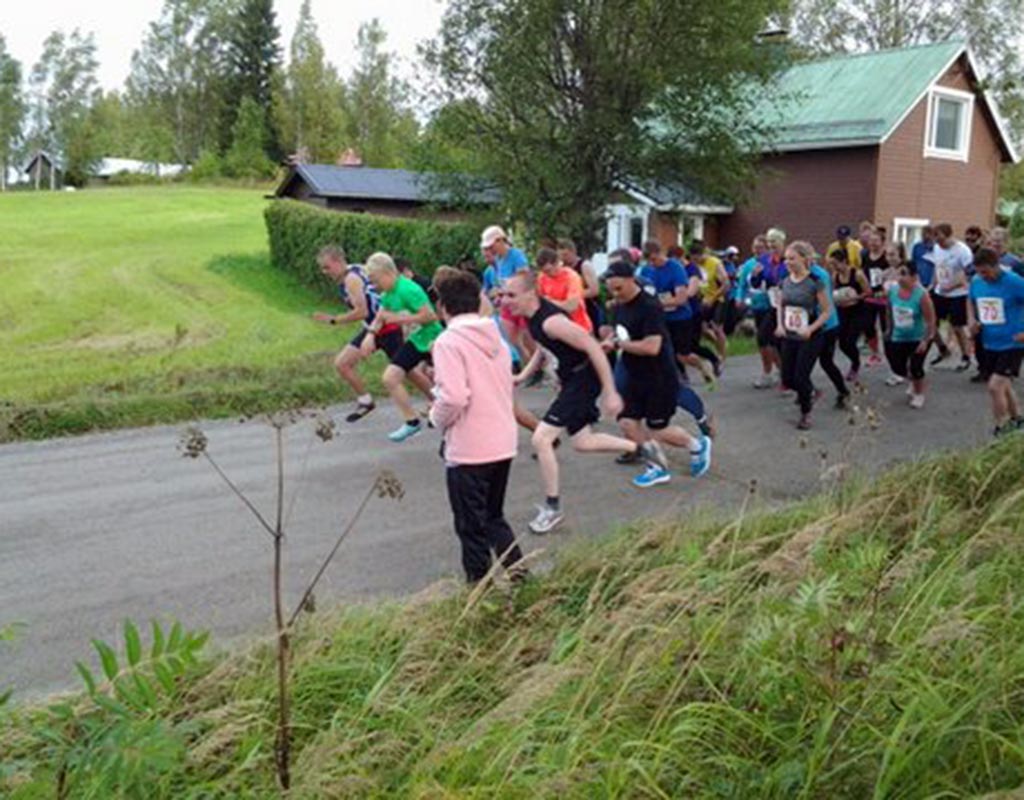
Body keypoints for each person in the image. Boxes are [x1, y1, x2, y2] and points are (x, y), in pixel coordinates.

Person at [502, 271, 666, 533]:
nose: (505, 300)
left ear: (530, 293)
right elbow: (544, 349)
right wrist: (521, 375)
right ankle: (643, 448)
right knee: (582, 442)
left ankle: (552, 508)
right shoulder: (532, 318)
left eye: (511, 295)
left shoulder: (551, 321)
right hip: (573, 379)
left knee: (541, 438)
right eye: (503, 295)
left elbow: (592, 347)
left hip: (584, 377)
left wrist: (610, 391)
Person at [430, 270, 525, 584]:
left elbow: (454, 397)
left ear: (443, 306)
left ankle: (479, 593)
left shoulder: (448, 342)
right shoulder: (494, 336)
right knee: (494, 517)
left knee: (471, 527)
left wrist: (435, 417)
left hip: (470, 448)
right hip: (502, 441)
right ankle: (520, 576)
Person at [602, 259, 713, 487]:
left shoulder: (649, 307)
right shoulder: (620, 304)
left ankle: (697, 445)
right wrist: (609, 339)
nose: (614, 294)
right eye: (610, 289)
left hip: (659, 377)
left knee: (657, 429)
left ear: (631, 280)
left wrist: (619, 345)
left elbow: (652, 346)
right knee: (627, 423)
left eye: (618, 288)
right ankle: (657, 467)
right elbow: (621, 333)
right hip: (634, 375)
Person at [311, 245, 404, 423]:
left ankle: (437, 400)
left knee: (409, 370)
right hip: (373, 328)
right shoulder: (357, 269)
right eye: (322, 268)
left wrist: (334, 320)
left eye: (327, 267)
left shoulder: (351, 280)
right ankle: (366, 401)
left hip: (385, 329)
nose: (324, 272)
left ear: (338, 262)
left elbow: (362, 311)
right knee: (342, 363)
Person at [363, 252, 443, 442]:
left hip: (434, 338)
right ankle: (411, 422)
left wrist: (401, 318)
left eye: (375, 279)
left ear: (387, 273)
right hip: (417, 340)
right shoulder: (388, 293)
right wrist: (370, 335)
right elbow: (381, 316)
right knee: (390, 377)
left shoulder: (408, 289)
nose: (374, 285)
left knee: (448, 384)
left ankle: (448, 413)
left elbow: (430, 316)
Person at [775, 241, 832, 429]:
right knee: (787, 379)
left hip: (810, 336)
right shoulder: (785, 279)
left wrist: (811, 328)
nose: (787, 262)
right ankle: (812, 391)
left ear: (804, 259)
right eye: (786, 259)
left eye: (792, 258)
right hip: (789, 334)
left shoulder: (815, 281)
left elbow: (826, 312)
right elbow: (780, 304)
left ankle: (806, 414)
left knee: (800, 376)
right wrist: (780, 325)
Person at [968, 247, 1024, 435]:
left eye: (985, 272)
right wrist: (972, 320)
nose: (983, 276)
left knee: (995, 386)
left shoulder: (1014, 282)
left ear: (996, 266)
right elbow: (971, 300)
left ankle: (1002, 427)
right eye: (978, 272)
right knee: (1004, 383)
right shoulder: (977, 281)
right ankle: (1018, 418)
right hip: (990, 340)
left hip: (1013, 341)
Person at [637, 240, 711, 384]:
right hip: (660, 317)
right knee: (661, 351)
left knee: (682, 355)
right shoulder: (646, 270)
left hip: (680, 317)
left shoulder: (675, 268)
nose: (652, 263)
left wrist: (657, 303)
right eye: (649, 261)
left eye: (654, 259)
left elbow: (681, 299)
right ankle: (677, 378)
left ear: (661, 253)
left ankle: (702, 365)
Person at [884, 262, 936, 409]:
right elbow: (889, 310)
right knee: (897, 367)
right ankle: (913, 380)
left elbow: (930, 320)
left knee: (916, 366)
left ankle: (919, 392)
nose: (900, 278)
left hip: (918, 337)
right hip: (898, 335)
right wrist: (889, 328)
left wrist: (925, 340)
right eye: (899, 274)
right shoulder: (893, 291)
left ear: (914, 277)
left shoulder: (921, 295)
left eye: (904, 274)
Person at [928, 222, 974, 372]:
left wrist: (952, 286)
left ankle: (965, 356)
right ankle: (943, 349)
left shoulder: (962, 251)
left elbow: (968, 273)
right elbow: (937, 267)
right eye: (935, 237)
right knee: (931, 323)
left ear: (948, 235)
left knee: (957, 326)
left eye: (939, 237)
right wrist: (932, 285)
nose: (937, 241)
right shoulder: (937, 248)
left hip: (958, 294)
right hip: (940, 292)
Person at [736, 234, 781, 387]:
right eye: (755, 247)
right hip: (756, 306)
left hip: (770, 305)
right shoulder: (749, 264)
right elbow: (743, 283)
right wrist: (739, 297)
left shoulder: (771, 262)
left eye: (761, 248)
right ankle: (775, 371)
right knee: (765, 341)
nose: (757, 250)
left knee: (767, 339)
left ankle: (774, 371)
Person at [750, 228, 789, 388]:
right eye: (769, 241)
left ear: (782, 243)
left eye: (774, 241)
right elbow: (756, 284)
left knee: (781, 343)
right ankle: (770, 373)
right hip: (773, 305)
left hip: (789, 305)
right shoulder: (764, 260)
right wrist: (755, 275)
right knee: (763, 337)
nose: (771, 244)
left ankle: (788, 375)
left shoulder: (788, 259)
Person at [809, 253, 849, 408]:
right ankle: (808, 390)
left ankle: (843, 392)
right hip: (811, 325)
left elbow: (823, 303)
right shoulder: (799, 274)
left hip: (827, 325)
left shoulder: (820, 275)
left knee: (825, 361)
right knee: (803, 362)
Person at [829, 247, 868, 383]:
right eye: (831, 265)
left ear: (844, 261)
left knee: (850, 341)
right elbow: (833, 292)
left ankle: (855, 365)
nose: (834, 267)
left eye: (835, 264)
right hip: (842, 310)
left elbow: (868, 292)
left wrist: (854, 297)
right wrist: (837, 299)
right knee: (842, 343)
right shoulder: (835, 276)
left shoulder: (857, 274)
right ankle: (854, 359)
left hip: (857, 311)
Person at [536, 247, 593, 333]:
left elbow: (571, 307)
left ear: (556, 263)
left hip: (578, 326)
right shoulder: (542, 277)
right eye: (544, 271)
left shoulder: (572, 277)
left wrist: (549, 302)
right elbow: (538, 302)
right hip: (557, 327)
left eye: (548, 270)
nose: (547, 274)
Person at [692, 240, 730, 363]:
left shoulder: (714, 263)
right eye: (694, 260)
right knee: (702, 329)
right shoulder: (695, 265)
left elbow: (726, 285)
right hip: (703, 298)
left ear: (703, 254)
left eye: (699, 258)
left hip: (719, 298)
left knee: (717, 327)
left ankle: (722, 357)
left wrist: (712, 299)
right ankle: (719, 345)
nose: (697, 262)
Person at [558, 238, 603, 332]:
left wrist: (573, 296)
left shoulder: (584, 266)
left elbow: (594, 290)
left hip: (589, 308)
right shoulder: (562, 268)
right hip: (572, 310)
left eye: (565, 255)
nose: (563, 258)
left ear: (573, 251)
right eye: (561, 256)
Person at [860, 229, 888, 367]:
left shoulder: (886, 257)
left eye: (876, 241)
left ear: (882, 242)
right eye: (871, 241)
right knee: (867, 325)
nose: (873, 243)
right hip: (870, 295)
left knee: (885, 328)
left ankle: (890, 354)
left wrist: (884, 289)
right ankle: (875, 353)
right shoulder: (864, 255)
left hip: (884, 297)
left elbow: (891, 275)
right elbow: (862, 273)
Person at [911, 225, 937, 291]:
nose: (926, 236)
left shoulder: (937, 248)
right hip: (918, 280)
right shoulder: (917, 247)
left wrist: (932, 284)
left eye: (929, 234)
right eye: (924, 234)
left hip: (932, 281)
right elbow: (913, 263)